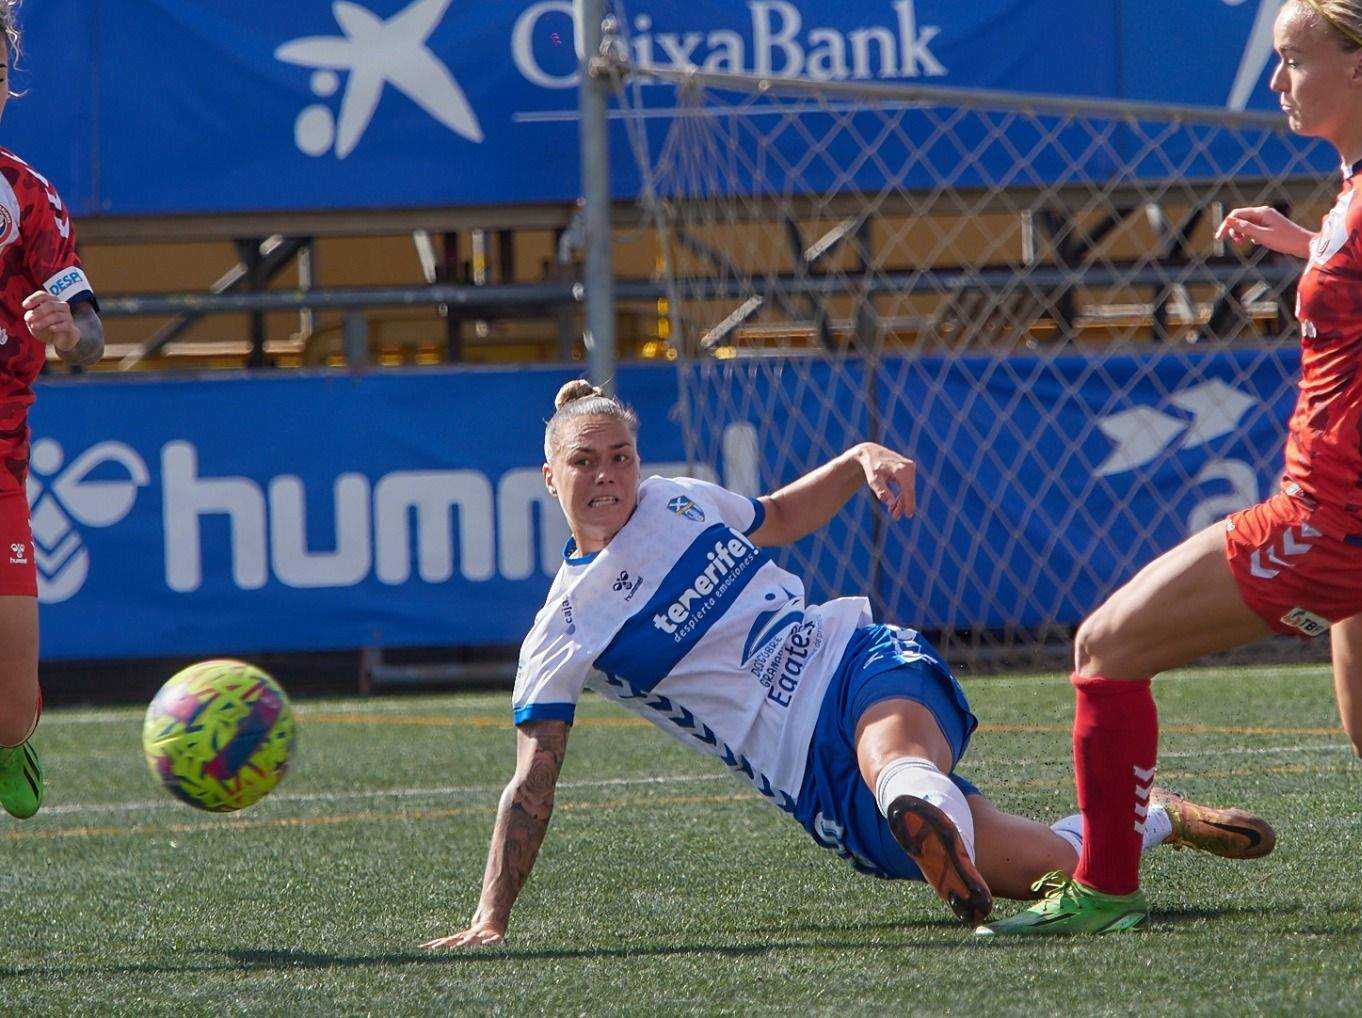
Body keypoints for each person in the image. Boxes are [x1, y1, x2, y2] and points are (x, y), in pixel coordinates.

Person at [979, 0, 1362, 937]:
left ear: (1357, 65)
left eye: (1292, 60)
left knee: (1103, 649)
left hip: (1337, 522)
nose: (1276, 82)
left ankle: (1103, 890)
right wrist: (1310, 245)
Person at [423, 381, 1275, 947]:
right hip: (808, 776)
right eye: (585, 460)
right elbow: (533, 783)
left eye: (620, 456)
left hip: (855, 661)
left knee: (894, 761)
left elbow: (783, 517)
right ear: (549, 476)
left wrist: (861, 455)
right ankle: (1153, 816)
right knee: (1063, 874)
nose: (609, 475)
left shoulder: (678, 500)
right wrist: (490, 915)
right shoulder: (563, 629)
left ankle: (915, 803)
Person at [0, 0, 106, 820]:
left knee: (11, 706)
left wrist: (69, 333)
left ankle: (12, 736)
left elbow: (93, 337)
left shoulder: (28, 199)